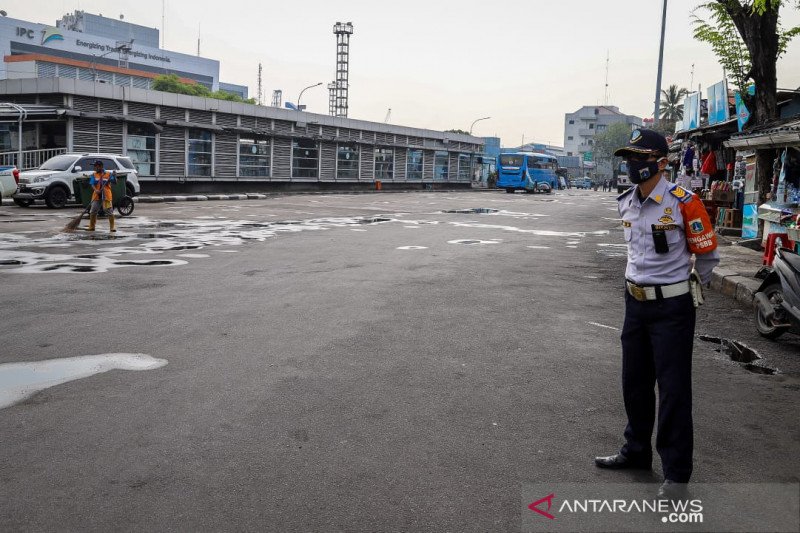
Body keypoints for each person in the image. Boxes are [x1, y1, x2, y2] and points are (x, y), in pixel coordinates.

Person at [594, 129, 720, 500]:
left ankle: (677, 474)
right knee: (634, 381)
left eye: (640, 157)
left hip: (671, 307)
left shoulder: (684, 202)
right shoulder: (625, 201)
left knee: (673, 389)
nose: (632, 164)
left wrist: (692, 284)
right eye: (629, 157)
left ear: (661, 162)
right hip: (635, 302)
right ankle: (635, 450)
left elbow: (708, 253)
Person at [87, 160, 116, 232]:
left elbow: (115, 182)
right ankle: (92, 226)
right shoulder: (94, 175)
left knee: (109, 211)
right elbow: (92, 184)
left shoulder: (108, 174)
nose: (94, 168)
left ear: (100, 166)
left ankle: (112, 227)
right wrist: (96, 190)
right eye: (94, 166)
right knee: (93, 211)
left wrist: (114, 176)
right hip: (96, 195)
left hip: (106, 195)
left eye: (96, 166)